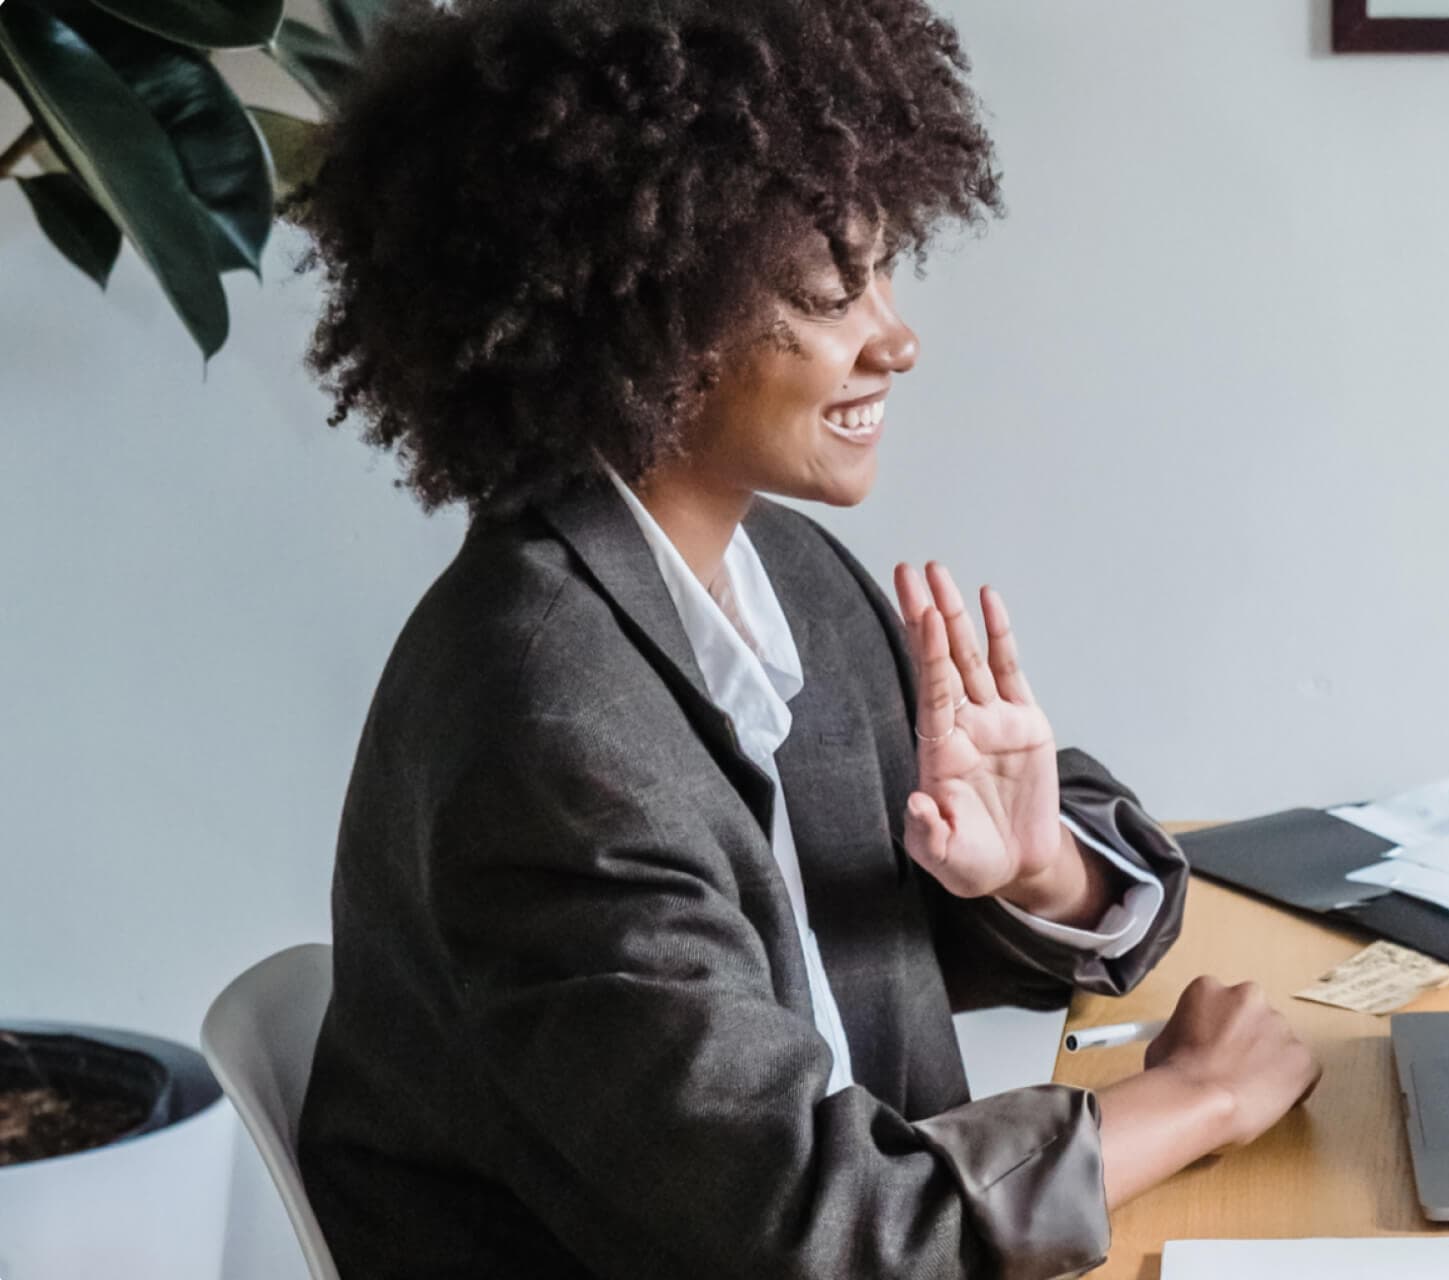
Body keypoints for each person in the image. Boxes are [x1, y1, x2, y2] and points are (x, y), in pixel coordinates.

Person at [286, 1, 1319, 1276]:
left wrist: (1034, 865)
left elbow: (881, 927)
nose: (896, 335)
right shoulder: (549, 728)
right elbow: (808, 1232)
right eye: (832, 291)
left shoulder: (778, 573)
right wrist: (1196, 1101)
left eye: (885, 270)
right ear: (652, 316)